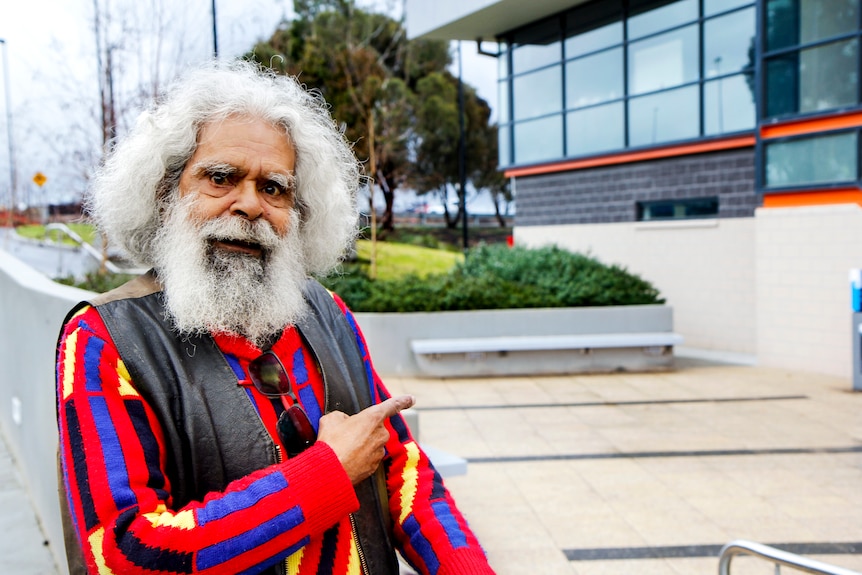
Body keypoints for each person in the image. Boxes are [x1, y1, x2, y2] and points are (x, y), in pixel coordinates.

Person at [55, 60, 495, 575]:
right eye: (220, 178)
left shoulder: (328, 313)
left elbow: (406, 474)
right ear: (164, 193)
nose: (249, 205)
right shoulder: (103, 339)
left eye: (274, 188)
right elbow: (125, 553)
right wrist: (328, 472)